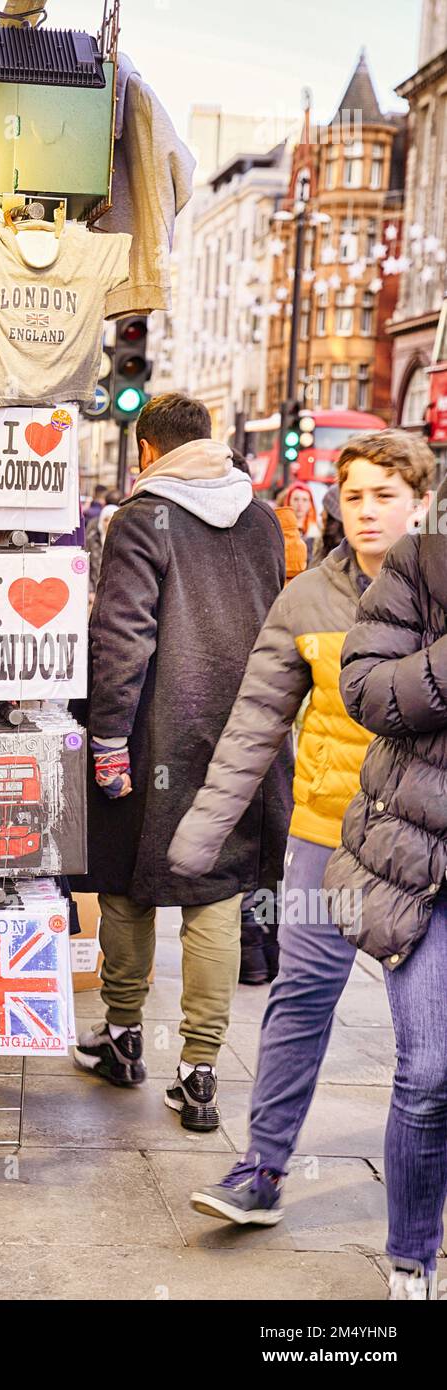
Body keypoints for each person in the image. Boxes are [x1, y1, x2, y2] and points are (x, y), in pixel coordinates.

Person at [167, 430, 433, 1223]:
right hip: (326, 837)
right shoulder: (307, 599)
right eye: (353, 496)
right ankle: (261, 1171)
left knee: (427, 1043)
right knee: (300, 996)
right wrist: (202, 830)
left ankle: (419, 1205)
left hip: (426, 849)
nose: (366, 512)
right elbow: (254, 723)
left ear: (420, 501)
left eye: (385, 496)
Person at [71, 392, 293, 1131]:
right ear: (212, 444)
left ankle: (124, 1037)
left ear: (146, 451)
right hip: (245, 733)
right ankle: (200, 1071)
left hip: (153, 732)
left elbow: (121, 636)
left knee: (127, 885)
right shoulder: (262, 518)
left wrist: (106, 738)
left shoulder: (142, 517)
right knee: (216, 892)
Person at [323, 461, 445, 1300]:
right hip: (421, 868)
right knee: (430, 1068)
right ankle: (410, 1257)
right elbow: (363, 688)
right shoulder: (420, 564)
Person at [85, 488, 122, 600]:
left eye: (112, 519)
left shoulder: (123, 540)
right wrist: (90, 590)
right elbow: (88, 565)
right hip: (95, 592)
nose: (108, 523)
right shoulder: (93, 538)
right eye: (106, 519)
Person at [277, 481, 318, 560]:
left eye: (305, 500)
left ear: (310, 504)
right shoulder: (279, 528)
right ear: (289, 501)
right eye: (296, 499)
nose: (300, 504)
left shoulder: (317, 531)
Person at [310, 483, 344, 566]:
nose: (321, 514)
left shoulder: (342, 552)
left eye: (325, 509)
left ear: (333, 516)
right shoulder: (322, 542)